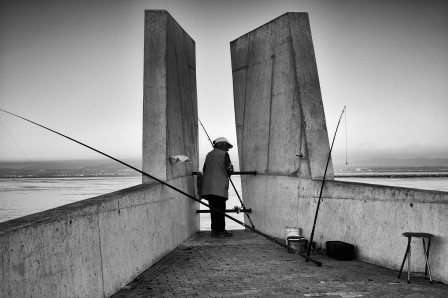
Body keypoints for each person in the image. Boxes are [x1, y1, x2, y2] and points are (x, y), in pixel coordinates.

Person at [201, 137, 234, 237]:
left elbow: (204, 169)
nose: (227, 149)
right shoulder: (224, 154)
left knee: (213, 209)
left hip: (208, 186)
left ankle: (214, 231)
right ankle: (221, 231)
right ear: (221, 144)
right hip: (219, 186)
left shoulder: (208, 154)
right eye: (226, 146)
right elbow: (229, 169)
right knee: (220, 209)